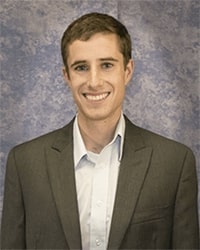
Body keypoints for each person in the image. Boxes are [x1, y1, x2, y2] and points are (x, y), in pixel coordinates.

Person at [0, 12, 199, 250]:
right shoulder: (24, 164)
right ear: (67, 76)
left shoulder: (174, 163)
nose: (94, 81)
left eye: (106, 65)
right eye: (81, 67)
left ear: (127, 71)